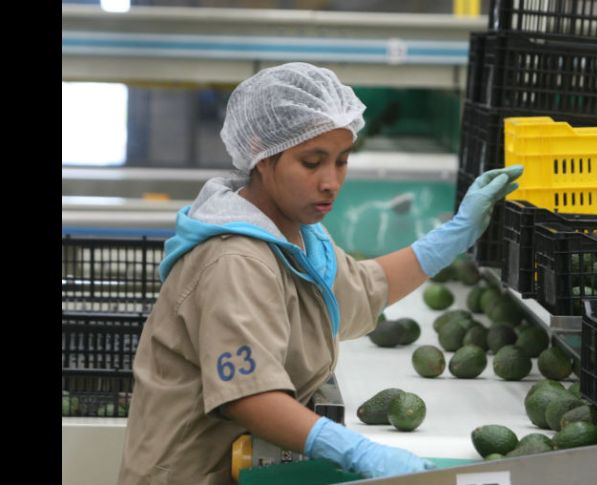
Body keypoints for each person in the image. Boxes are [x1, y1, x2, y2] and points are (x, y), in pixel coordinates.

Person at [117, 62, 523, 484]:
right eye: (312, 163)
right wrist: (354, 448)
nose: (331, 181)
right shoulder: (235, 261)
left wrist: (452, 237)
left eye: (342, 161)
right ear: (260, 153)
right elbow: (250, 396)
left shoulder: (298, 235)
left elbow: (363, 289)